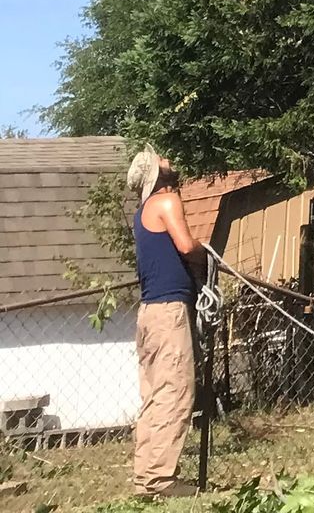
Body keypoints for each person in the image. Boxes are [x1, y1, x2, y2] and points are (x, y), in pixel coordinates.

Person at [126, 147, 205, 499]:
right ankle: (161, 480)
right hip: (169, 311)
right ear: (156, 174)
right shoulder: (167, 200)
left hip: (148, 313)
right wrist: (208, 253)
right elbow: (186, 246)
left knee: (154, 396)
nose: (169, 159)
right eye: (162, 160)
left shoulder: (142, 212)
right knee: (176, 392)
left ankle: (146, 477)